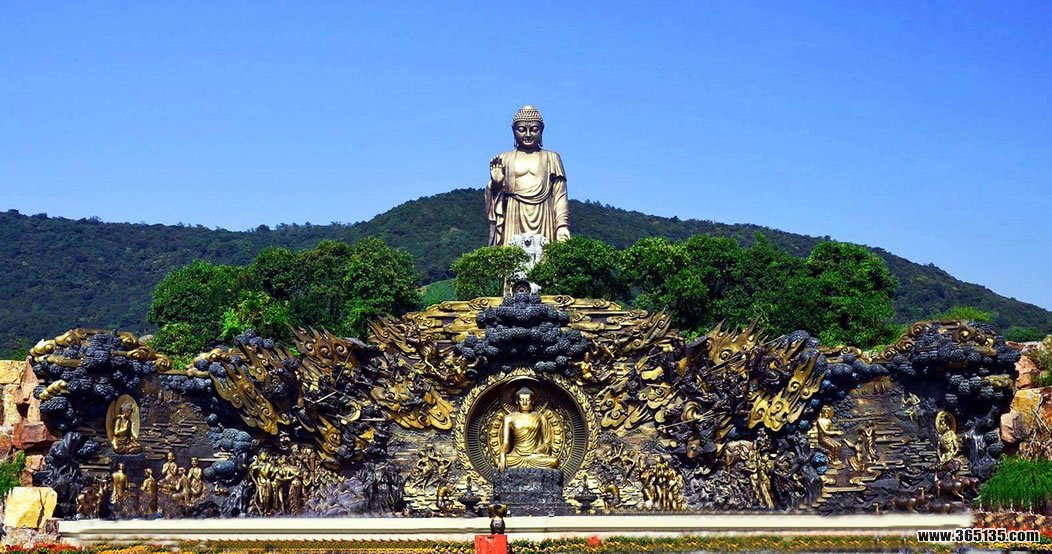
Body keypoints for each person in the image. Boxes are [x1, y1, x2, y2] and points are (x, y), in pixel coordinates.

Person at [486, 105, 570, 246]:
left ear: (542, 130)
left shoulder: (552, 158)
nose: (528, 134)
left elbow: (560, 196)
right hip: (513, 215)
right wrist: (497, 184)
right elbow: (496, 200)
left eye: (534, 129)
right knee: (512, 256)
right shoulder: (504, 159)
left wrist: (562, 226)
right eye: (522, 129)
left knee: (544, 256)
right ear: (514, 131)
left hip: (544, 215)